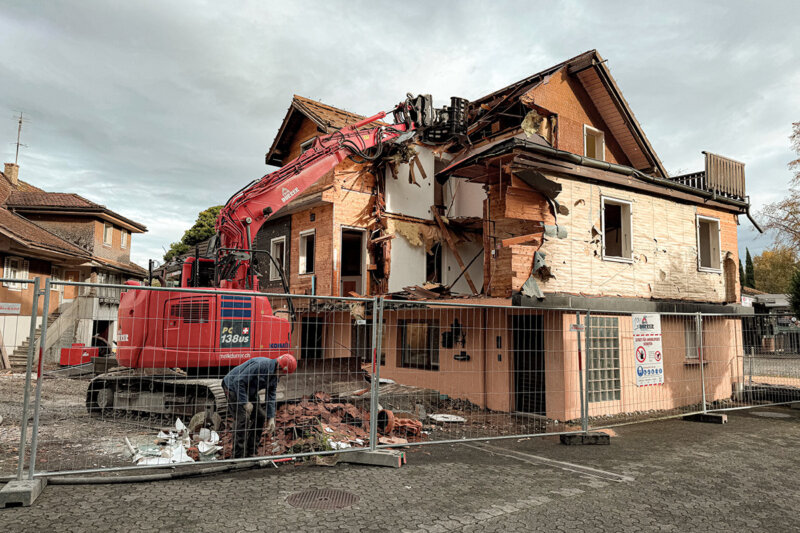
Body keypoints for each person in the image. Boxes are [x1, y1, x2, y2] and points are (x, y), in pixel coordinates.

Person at [222, 354, 298, 459]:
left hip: (250, 390)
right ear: (279, 367)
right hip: (233, 387)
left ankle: (250, 452)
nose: (282, 376)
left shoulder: (275, 376)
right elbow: (238, 381)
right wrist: (245, 403)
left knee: (260, 416)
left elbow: (271, 395)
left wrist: (271, 417)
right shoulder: (260, 365)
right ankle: (237, 457)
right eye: (283, 373)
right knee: (243, 419)